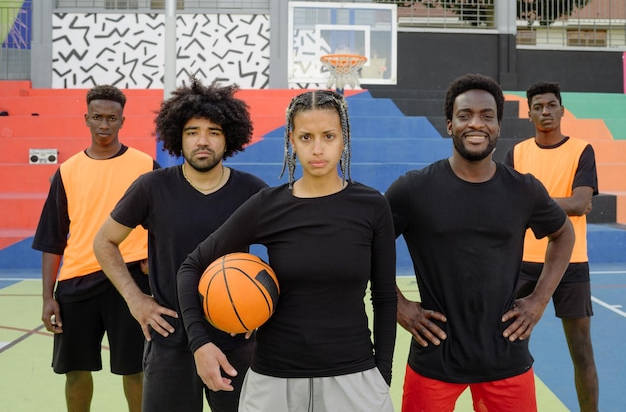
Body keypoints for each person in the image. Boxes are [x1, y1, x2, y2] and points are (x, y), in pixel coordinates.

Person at [177, 90, 397, 412]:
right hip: (274, 380)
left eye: (328, 136)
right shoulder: (268, 206)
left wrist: (382, 374)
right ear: (291, 140)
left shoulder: (372, 206)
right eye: (306, 137)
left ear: (344, 139)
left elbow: (384, 296)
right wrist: (200, 343)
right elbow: (191, 266)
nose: (317, 148)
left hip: (354, 376)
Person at [385, 74, 576, 412]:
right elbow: (370, 244)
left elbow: (563, 233)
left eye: (487, 116)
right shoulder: (413, 190)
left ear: (499, 126)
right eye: (465, 115)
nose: (476, 123)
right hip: (434, 357)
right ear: (449, 125)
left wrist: (538, 300)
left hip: (506, 355)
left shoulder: (523, 190)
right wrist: (399, 305)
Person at [93, 77, 267, 412]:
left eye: (213, 132)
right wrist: (135, 299)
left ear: (229, 137)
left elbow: (286, 248)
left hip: (234, 337)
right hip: (170, 338)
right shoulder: (151, 187)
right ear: (178, 137)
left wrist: (267, 308)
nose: (203, 141)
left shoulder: (252, 192)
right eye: (192, 132)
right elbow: (104, 242)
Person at [32, 85, 158, 412]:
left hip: (130, 282)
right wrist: (48, 297)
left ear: (122, 121)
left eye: (111, 118)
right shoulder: (68, 171)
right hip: (76, 281)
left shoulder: (145, 166)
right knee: (74, 373)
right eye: (98, 117)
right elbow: (52, 239)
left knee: (135, 370)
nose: (104, 125)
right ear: (86, 119)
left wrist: (153, 257)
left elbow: (166, 223)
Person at [504, 81, 599, 412]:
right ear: (529, 113)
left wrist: (528, 202)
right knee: (507, 345)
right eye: (538, 107)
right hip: (522, 263)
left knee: (582, 350)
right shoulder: (516, 153)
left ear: (562, 109)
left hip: (571, 263)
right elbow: (503, 203)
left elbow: (580, 204)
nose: (545, 111)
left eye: (551, 105)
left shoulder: (582, 150)